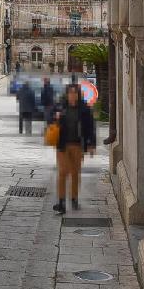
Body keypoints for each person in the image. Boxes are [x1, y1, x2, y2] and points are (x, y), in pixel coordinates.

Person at [53, 83, 96, 213]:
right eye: (70, 92)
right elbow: (49, 120)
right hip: (63, 145)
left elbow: (90, 128)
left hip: (77, 145)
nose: (72, 95)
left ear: (78, 95)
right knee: (62, 172)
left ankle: (74, 199)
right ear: (67, 94)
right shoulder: (61, 107)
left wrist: (91, 144)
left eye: (74, 93)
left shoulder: (84, 109)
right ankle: (61, 202)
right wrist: (55, 118)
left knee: (75, 173)